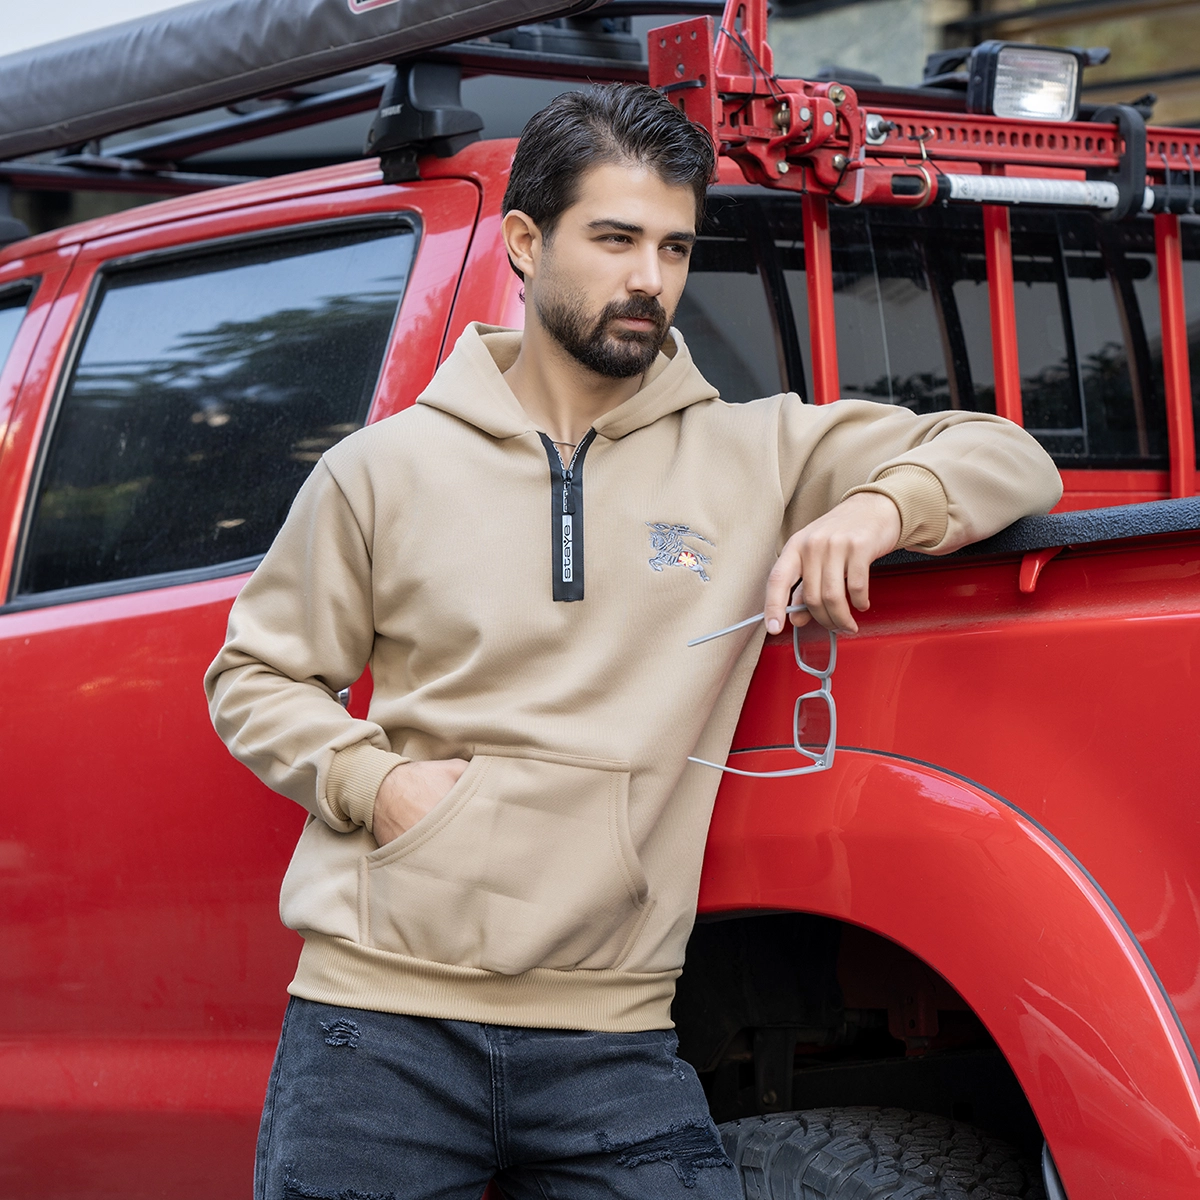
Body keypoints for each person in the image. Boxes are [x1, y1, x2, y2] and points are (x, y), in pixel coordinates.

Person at [205, 83, 1062, 1200]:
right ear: (525, 243)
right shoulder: (381, 469)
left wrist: (879, 507)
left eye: (674, 246)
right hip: (376, 1028)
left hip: (613, 1037)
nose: (649, 278)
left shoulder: (754, 451)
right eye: (615, 240)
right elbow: (256, 674)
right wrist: (380, 786)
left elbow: (1006, 454)